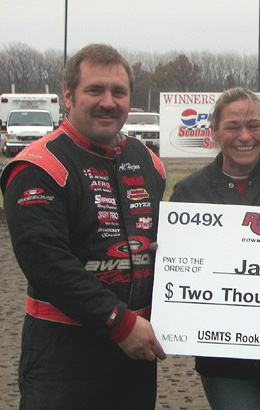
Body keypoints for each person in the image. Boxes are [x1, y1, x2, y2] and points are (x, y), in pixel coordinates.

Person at [1, 44, 167, 410]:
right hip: (64, 353)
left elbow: (163, 247)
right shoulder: (37, 165)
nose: (108, 102)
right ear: (68, 96)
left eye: (118, 92)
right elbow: (47, 263)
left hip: (137, 352)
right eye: (95, 90)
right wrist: (119, 324)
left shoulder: (148, 162)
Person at [170, 87, 260, 410]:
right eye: (232, 126)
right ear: (214, 131)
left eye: (253, 125)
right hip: (223, 358)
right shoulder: (189, 193)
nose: (244, 136)